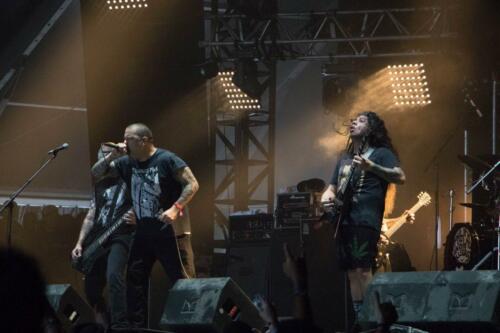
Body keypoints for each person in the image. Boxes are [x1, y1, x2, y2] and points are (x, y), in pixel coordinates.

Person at [91, 123, 199, 328]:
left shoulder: (166, 159)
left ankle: (192, 326)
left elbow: (192, 184)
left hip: (172, 232)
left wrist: (176, 208)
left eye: (128, 138)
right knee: (135, 279)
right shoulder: (126, 163)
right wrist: (112, 156)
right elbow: (96, 172)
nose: (124, 143)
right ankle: (137, 327)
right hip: (144, 232)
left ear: (143, 141)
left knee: (182, 281)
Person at [321, 111, 405, 322]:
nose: (353, 123)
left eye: (360, 121)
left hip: (365, 218)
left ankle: (374, 318)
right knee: (351, 271)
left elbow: (400, 177)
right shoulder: (345, 156)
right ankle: (361, 318)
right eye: (353, 120)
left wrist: (372, 167)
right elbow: (331, 186)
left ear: (371, 128)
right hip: (342, 219)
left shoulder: (381, 153)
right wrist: (326, 197)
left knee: (363, 269)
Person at [71, 145, 136, 329]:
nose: (108, 157)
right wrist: (79, 243)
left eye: (111, 154)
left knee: (114, 275)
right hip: (98, 238)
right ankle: (102, 322)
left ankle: (120, 325)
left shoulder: (130, 176)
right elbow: (91, 216)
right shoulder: (99, 184)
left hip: (121, 234)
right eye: (105, 155)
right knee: (91, 288)